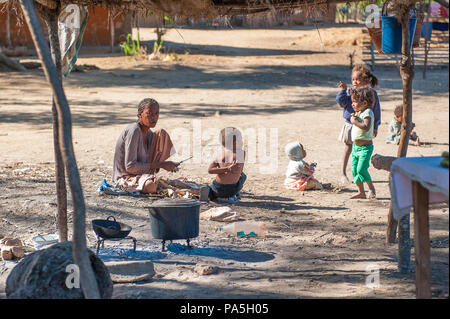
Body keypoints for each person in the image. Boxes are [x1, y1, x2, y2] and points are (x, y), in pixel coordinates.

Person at [112, 98, 180, 194]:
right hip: (125, 178)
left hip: (140, 175)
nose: (154, 117)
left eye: (156, 114)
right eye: (149, 113)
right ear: (140, 114)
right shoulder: (134, 131)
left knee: (161, 134)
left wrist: (167, 165)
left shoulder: (148, 133)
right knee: (150, 186)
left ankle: (151, 180)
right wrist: (162, 165)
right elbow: (130, 167)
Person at [336, 64, 381, 185]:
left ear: (366, 80)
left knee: (361, 149)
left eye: (357, 79)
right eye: (353, 79)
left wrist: (376, 126)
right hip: (350, 125)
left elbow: (376, 111)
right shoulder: (350, 91)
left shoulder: (371, 94)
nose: (354, 82)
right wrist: (343, 91)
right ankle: (343, 173)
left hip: (365, 126)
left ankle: (360, 173)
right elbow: (341, 102)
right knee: (348, 148)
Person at [349, 87, 377, 199]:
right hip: (355, 147)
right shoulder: (360, 112)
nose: (352, 104)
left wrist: (355, 122)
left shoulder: (368, 112)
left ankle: (371, 189)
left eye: (355, 101)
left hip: (365, 148)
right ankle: (361, 192)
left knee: (361, 169)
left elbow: (366, 127)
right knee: (354, 170)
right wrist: (355, 118)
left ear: (364, 102)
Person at [207, 127, 246, 203]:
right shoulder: (241, 153)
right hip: (231, 189)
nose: (242, 142)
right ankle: (231, 196)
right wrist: (229, 169)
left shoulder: (219, 154)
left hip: (217, 187)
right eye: (241, 139)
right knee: (243, 176)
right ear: (235, 142)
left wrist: (226, 168)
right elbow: (240, 170)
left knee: (216, 185)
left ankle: (212, 193)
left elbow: (210, 170)